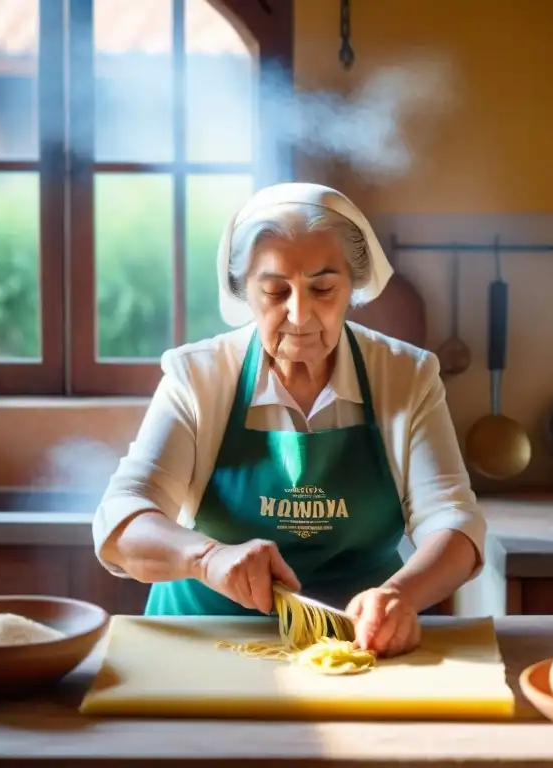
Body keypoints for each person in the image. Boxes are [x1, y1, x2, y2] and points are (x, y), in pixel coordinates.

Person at [92, 182, 486, 658]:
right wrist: (208, 558)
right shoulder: (198, 376)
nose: (299, 314)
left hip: (358, 644)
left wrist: (401, 595)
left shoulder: (405, 376)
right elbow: (120, 520)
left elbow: (455, 521)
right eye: (275, 290)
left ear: (352, 287)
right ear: (244, 290)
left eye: (323, 288)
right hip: (200, 643)